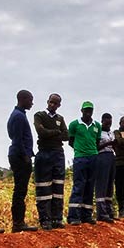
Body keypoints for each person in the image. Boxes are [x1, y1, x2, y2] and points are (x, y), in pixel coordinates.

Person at [33, 93, 69, 230]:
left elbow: (66, 136)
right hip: (44, 153)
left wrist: (53, 133)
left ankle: (57, 218)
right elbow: (41, 132)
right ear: (47, 102)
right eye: (51, 102)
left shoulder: (60, 118)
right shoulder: (39, 115)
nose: (52, 105)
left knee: (58, 187)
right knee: (43, 187)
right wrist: (56, 132)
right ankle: (45, 219)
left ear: (59, 105)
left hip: (58, 154)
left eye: (56, 103)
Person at [7, 90, 38, 233]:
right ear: (23, 99)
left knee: (21, 190)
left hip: (19, 155)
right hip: (19, 157)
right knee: (20, 190)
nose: (32, 102)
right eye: (30, 100)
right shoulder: (18, 116)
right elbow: (17, 139)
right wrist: (26, 157)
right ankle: (18, 223)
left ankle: (19, 222)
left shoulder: (18, 115)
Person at [67, 101, 101, 225]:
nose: (88, 112)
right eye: (86, 110)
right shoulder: (74, 124)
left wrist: (93, 151)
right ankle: (73, 216)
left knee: (90, 186)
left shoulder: (97, 125)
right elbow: (71, 141)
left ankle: (86, 215)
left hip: (93, 157)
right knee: (79, 185)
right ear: (81, 111)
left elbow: (97, 142)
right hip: (80, 157)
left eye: (90, 110)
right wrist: (79, 149)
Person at [95, 113, 116, 223]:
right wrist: (108, 143)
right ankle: (101, 213)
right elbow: (96, 147)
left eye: (110, 122)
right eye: (106, 122)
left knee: (109, 185)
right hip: (101, 157)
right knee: (102, 185)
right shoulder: (98, 132)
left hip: (111, 157)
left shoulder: (111, 133)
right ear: (102, 121)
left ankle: (109, 211)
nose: (108, 124)